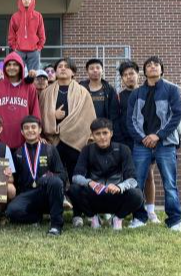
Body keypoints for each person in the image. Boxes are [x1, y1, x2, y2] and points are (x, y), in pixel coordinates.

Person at [39, 58, 95, 227]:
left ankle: (78, 213)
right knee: (54, 179)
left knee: (76, 178)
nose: (62, 69)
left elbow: (87, 117)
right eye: (59, 67)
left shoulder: (82, 92)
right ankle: (55, 213)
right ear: (55, 72)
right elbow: (40, 115)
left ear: (73, 72)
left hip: (76, 141)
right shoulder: (46, 92)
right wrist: (52, 117)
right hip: (53, 141)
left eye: (66, 67)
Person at [127, 56, 181, 231]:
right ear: (144, 71)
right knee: (138, 182)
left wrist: (158, 136)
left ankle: (174, 220)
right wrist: (144, 138)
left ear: (161, 69)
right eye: (148, 65)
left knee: (169, 183)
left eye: (156, 65)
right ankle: (139, 217)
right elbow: (131, 120)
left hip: (165, 143)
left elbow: (176, 116)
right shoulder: (136, 93)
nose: (152, 67)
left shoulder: (172, 90)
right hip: (142, 144)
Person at [68, 118, 144, 231]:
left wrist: (119, 187)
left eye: (105, 133)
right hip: (95, 196)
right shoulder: (87, 150)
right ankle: (93, 218)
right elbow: (75, 177)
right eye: (97, 134)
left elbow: (133, 179)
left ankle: (118, 218)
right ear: (92, 135)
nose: (102, 137)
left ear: (111, 133)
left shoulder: (123, 149)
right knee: (73, 189)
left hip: (115, 195)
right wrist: (90, 183)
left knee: (137, 194)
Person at [115, 60, 160, 223]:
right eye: (125, 75)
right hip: (125, 144)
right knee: (125, 177)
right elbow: (117, 120)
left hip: (146, 142)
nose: (129, 77)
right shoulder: (118, 97)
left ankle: (150, 211)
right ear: (122, 78)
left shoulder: (147, 92)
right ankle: (127, 209)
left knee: (148, 175)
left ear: (138, 74)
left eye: (131, 73)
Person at [6, 116, 67, 236]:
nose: (30, 130)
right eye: (26, 128)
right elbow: (14, 179)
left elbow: (62, 175)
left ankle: (56, 225)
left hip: (47, 194)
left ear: (40, 130)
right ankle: (35, 218)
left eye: (33, 127)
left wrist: (48, 177)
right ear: (22, 132)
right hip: (28, 195)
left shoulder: (50, 149)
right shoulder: (18, 153)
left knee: (55, 182)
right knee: (11, 211)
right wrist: (7, 175)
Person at [0, 51, 41, 151]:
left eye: (15, 64)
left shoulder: (29, 88)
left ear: (21, 67)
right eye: (8, 64)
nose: (11, 67)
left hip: (24, 139)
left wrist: (38, 135)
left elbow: (35, 112)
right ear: (4, 67)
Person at [8, 0, 46, 71]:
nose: (26, 0)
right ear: (20, 0)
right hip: (18, 51)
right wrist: (14, 47)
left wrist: (39, 47)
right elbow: (11, 33)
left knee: (33, 77)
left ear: (31, 0)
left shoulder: (38, 16)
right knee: (18, 75)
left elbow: (41, 33)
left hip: (34, 51)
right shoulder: (15, 16)